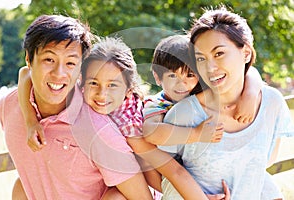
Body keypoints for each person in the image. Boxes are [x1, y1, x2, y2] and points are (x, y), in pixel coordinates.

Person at [18, 36, 228, 200]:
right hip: (100, 177)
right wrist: (31, 121)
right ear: (82, 80)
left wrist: (196, 196)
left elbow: (170, 172)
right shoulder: (77, 88)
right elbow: (25, 73)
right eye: (94, 84)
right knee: (20, 187)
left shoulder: (131, 127)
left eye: (112, 85)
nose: (102, 95)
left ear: (128, 90)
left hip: (143, 185)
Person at [0, 15, 153, 200]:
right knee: (20, 187)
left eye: (70, 63)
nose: (59, 74)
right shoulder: (9, 106)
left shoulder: (99, 130)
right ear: (29, 60)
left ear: (80, 69)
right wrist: (31, 120)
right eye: (49, 59)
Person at [158, 6, 294, 199]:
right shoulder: (184, 114)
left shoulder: (272, 103)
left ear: (246, 53)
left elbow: (263, 164)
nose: (210, 67)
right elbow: (158, 174)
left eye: (219, 53)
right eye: (200, 58)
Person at [142, 34, 263, 199]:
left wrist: (250, 95)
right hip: (166, 177)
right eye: (172, 76)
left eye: (190, 75)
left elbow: (251, 71)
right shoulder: (157, 104)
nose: (181, 83)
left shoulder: (202, 94)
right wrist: (196, 134)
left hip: (200, 173)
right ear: (157, 77)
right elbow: (151, 132)